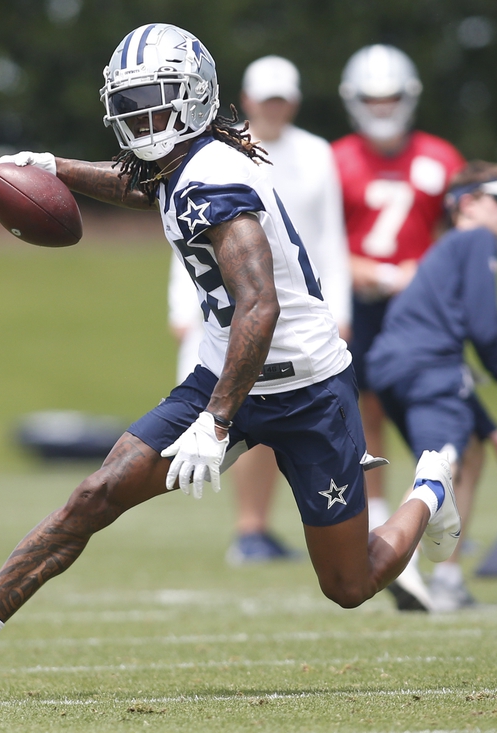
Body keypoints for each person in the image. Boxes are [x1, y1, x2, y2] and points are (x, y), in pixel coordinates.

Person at [0, 23, 461, 690]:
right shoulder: (183, 164)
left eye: (157, 99)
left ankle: (430, 487)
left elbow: (260, 306)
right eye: (131, 103)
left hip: (306, 386)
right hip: (224, 371)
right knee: (97, 493)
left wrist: (216, 424)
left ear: (195, 98)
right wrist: (53, 168)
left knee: (349, 583)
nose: (142, 117)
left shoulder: (213, 177)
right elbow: (142, 188)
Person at [167, 55, 351, 565]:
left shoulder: (317, 153)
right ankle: (249, 528)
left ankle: (268, 528)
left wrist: (340, 308)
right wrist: (182, 301)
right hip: (230, 307)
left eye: (282, 98)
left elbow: (330, 240)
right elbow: (186, 228)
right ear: (244, 100)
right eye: (265, 99)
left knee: (281, 420)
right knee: (239, 416)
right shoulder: (216, 149)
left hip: (296, 311)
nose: (273, 108)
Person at [366, 161, 497, 611]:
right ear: (467, 204)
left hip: (396, 366)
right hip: (427, 366)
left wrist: (493, 430)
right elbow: (484, 330)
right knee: (442, 464)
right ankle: (399, 558)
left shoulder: (446, 249)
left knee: (469, 450)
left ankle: (448, 578)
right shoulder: (477, 239)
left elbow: (449, 357)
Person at [332, 44, 466, 610]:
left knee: (447, 424)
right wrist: (356, 269)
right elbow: (311, 240)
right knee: (363, 422)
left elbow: (466, 236)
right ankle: (381, 534)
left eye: (390, 97)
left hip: (421, 309)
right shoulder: (333, 159)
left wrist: (425, 270)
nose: (382, 108)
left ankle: (445, 555)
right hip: (354, 306)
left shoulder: (440, 157)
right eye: (372, 98)